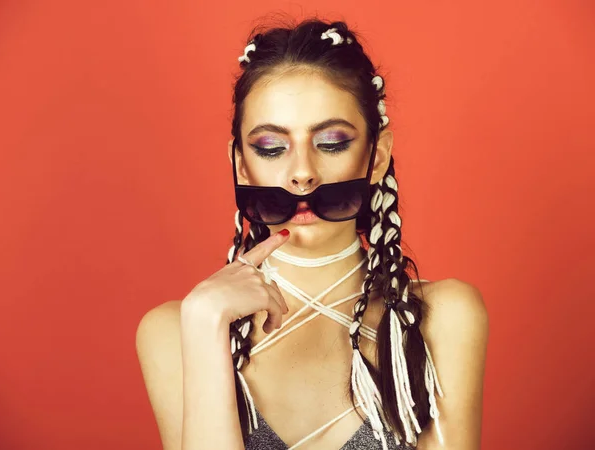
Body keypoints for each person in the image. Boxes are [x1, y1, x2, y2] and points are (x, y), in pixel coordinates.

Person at [136, 18, 489, 450]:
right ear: (242, 165)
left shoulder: (440, 319)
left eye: (332, 142)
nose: (302, 173)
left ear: (376, 157)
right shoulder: (176, 329)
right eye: (271, 147)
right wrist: (206, 326)